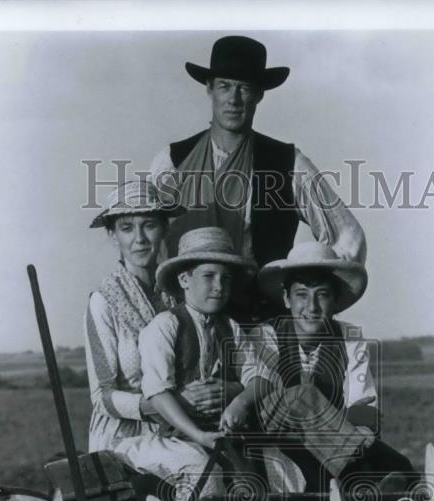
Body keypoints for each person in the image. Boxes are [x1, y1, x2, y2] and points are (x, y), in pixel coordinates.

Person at [149, 35, 367, 319]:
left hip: (261, 323)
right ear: (209, 89)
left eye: (245, 88)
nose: (234, 99)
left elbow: (348, 236)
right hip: (189, 323)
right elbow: (148, 239)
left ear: (260, 94)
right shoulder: (173, 162)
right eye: (225, 86)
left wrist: (312, 298)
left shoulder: (287, 163)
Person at [218, 241, 413, 497]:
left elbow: (363, 406)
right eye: (301, 295)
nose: (312, 307)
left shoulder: (349, 338)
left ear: (335, 301)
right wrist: (338, 425)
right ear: (286, 299)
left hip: (334, 449)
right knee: (300, 398)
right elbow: (268, 399)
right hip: (277, 442)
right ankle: (384, 475)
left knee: (372, 444)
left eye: (322, 295)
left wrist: (346, 432)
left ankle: (392, 478)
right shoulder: (265, 335)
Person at [84, 179, 238, 458]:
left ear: (165, 228)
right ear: (113, 236)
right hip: (125, 436)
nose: (140, 239)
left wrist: (224, 391)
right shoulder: (103, 300)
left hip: (191, 427)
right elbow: (102, 397)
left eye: (149, 225)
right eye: (127, 228)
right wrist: (167, 403)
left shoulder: (183, 291)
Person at [134, 226, 264, 501]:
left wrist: (239, 402)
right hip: (174, 437)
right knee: (206, 478)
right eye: (208, 276)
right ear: (184, 279)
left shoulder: (231, 328)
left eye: (226, 279)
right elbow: (157, 393)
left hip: (221, 434)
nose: (219, 286)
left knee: (254, 489)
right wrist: (198, 434)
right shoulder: (166, 325)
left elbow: (260, 377)